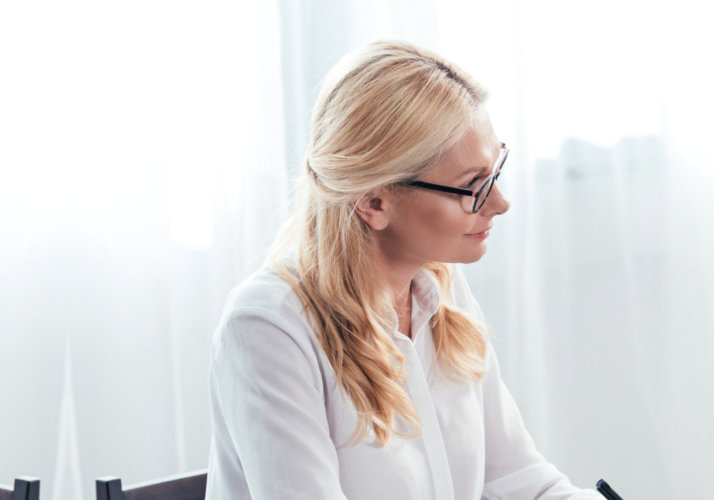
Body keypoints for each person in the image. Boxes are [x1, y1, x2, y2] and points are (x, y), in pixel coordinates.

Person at [206, 40, 603, 500]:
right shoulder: (267, 328)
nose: (499, 203)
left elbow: (517, 482)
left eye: (494, 173)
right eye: (472, 186)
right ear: (374, 201)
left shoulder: (440, 290)